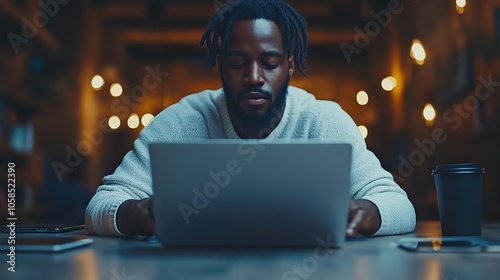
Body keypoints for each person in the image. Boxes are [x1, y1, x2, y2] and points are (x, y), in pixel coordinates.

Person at [85, 0, 416, 237]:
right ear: (220, 65)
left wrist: (369, 212)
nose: (254, 76)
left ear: (289, 66)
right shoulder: (181, 121)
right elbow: (101, 205)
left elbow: (399, 206)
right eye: (237, 62)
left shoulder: (323, 121)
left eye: (270, 63)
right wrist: (138, 213)